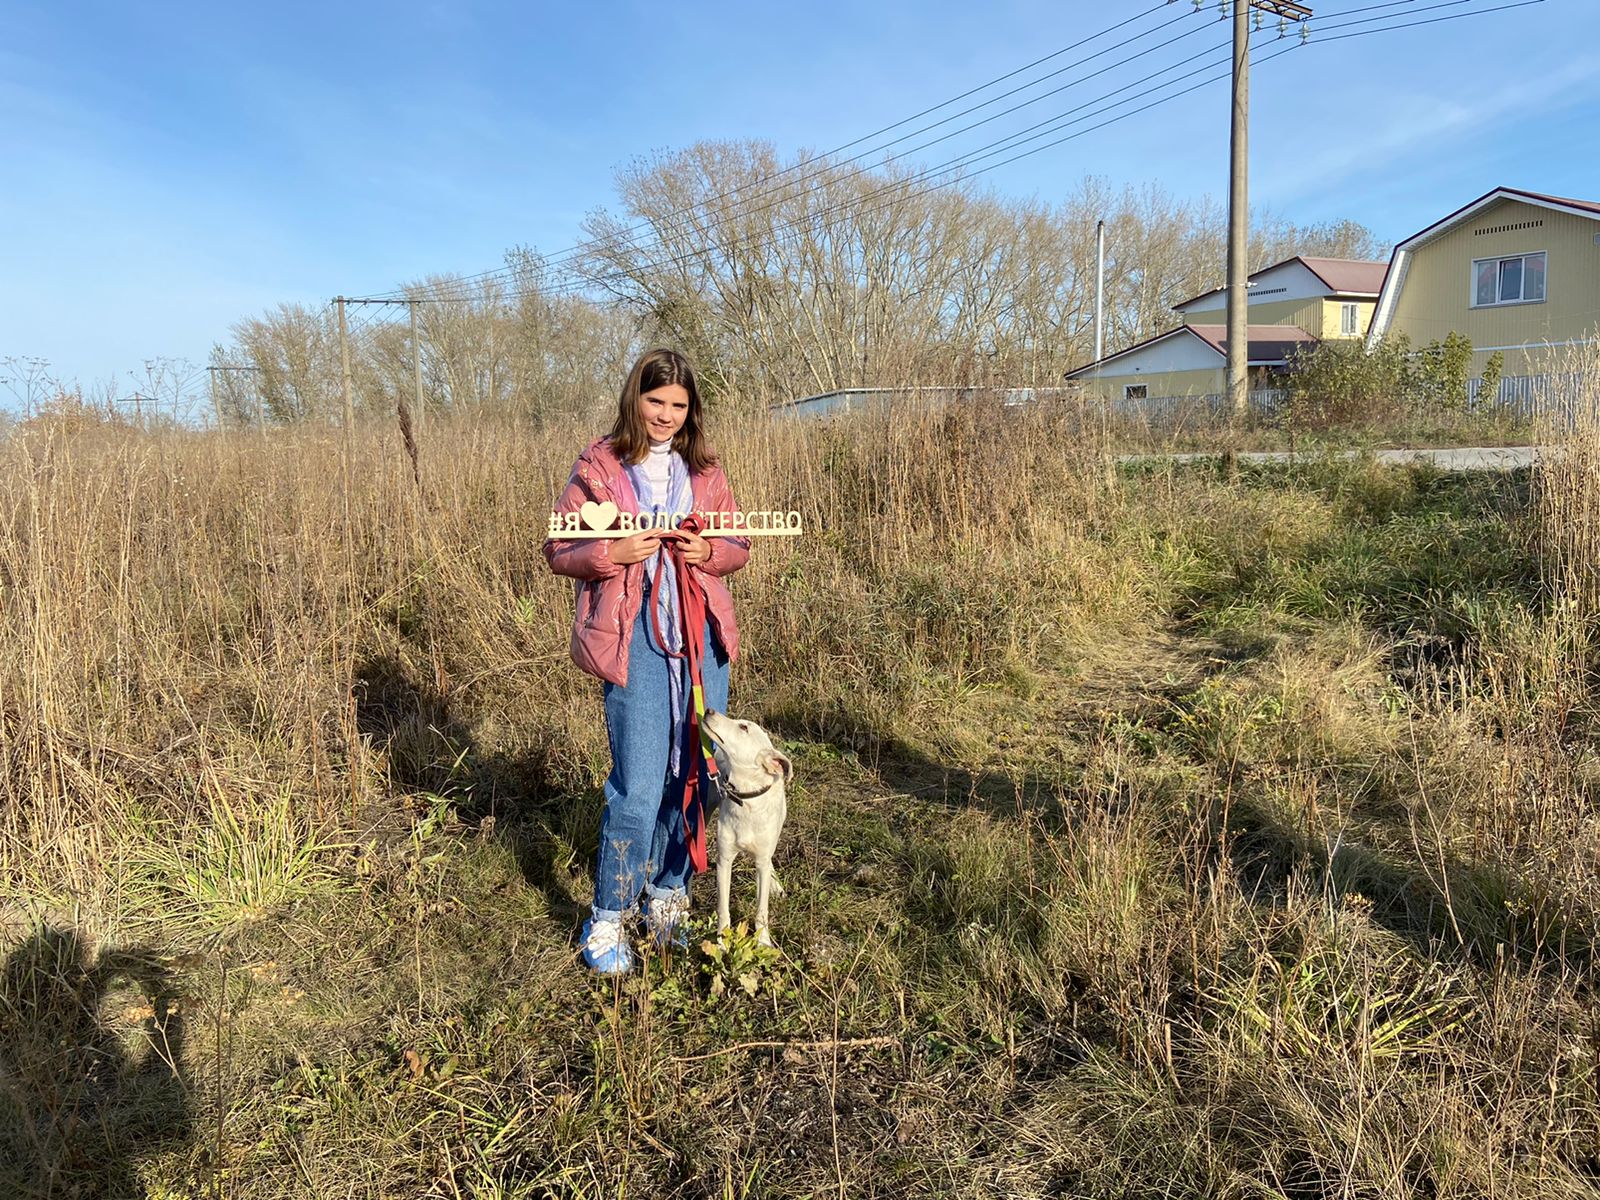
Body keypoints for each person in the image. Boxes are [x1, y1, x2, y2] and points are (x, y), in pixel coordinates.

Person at [544, 348, 749, 974]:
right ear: (636, 399)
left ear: (691, 410)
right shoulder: (598, 464)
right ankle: (607, 918)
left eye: (677, 405)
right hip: (634, 642)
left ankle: (667, 897)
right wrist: (613, 551)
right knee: (637, 786)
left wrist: (706, 549)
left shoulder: (706, 470)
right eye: (655, 401)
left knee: (694, 779)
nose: (664, 415)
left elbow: (739, 546)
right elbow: (560, 549)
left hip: (702, 645)